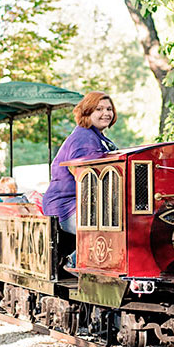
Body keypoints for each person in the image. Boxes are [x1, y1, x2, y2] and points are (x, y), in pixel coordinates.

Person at [42, 91, 117, 270]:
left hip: (80, 205)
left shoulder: (96, 136)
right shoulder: (85, 139)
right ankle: (73, 261)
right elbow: (89, 180)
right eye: (99, 109)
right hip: (66, 207)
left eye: (109, 108)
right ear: (87, 112)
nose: (106, 113)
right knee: (112, 230)